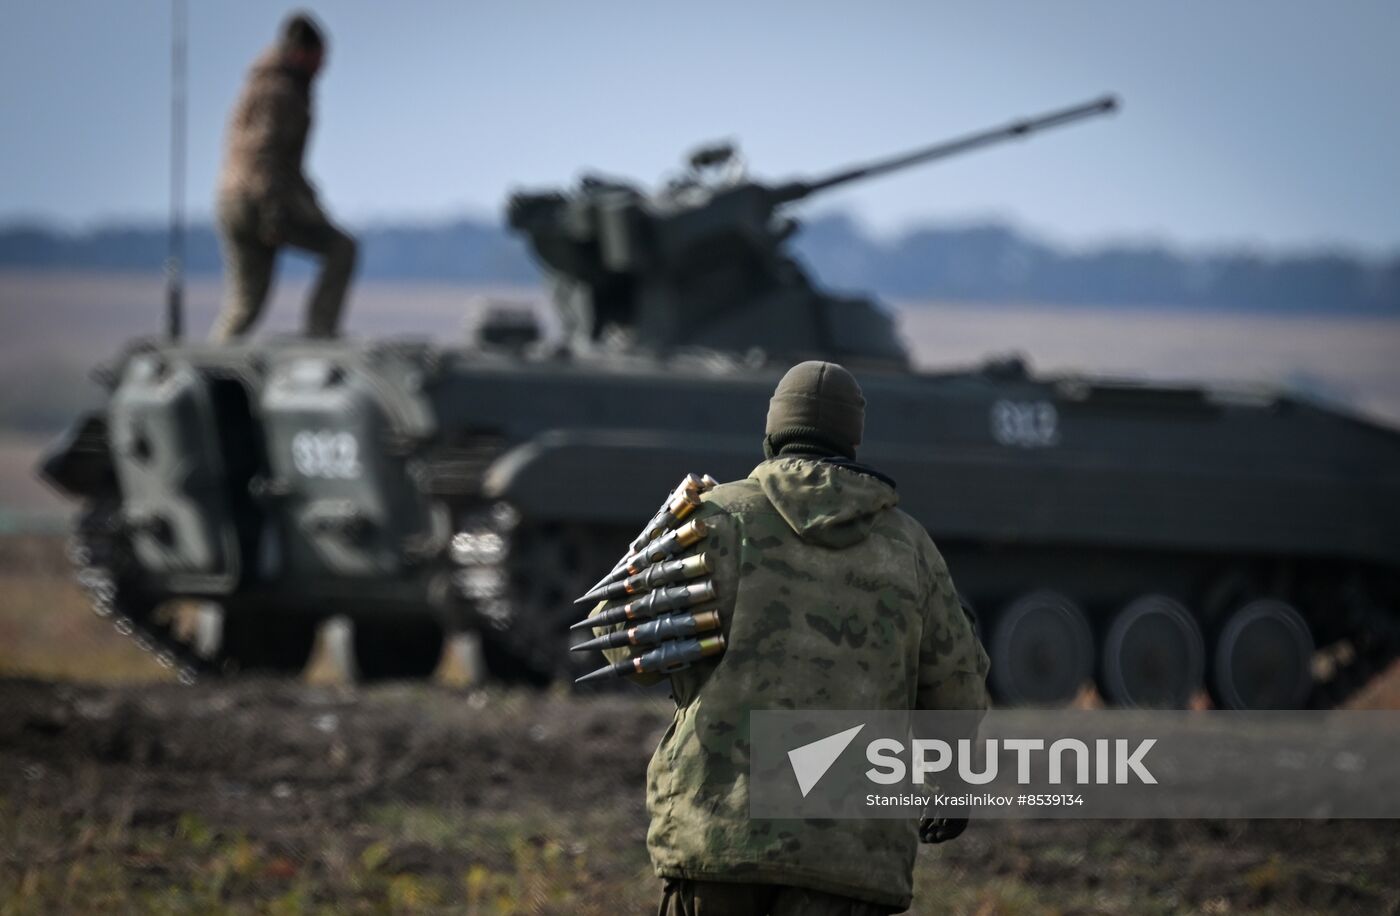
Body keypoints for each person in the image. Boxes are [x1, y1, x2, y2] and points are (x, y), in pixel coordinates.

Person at [589, 360, 990, 915]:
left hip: (717, 838)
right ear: (852, 438)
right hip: (849, 856)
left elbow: (619, 638)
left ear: (773, 432)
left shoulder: (714, 519)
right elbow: (958, 688)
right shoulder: (910, 549)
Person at [211, 12, 357, 342]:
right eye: (320, 57)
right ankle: (321, 333)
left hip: (231, 199)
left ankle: (216, 356)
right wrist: (274, 215)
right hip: (259, 199)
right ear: (301, 53)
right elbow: (266, 156)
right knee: (341, 249)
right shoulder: (282, 93)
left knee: (245, 303)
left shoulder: (260, 84)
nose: (323, 66)